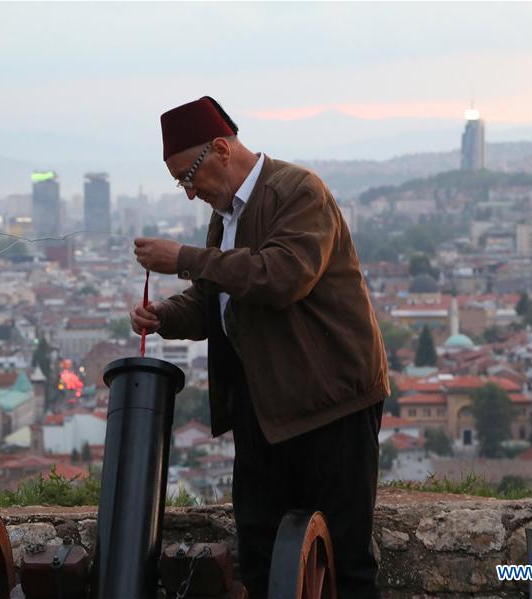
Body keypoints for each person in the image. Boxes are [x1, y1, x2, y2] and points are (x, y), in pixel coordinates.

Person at [131, 96, 389, 598]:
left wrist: (185, 257)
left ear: (222, 150)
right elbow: (217, 302)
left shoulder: (298, 191)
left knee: (346, 558)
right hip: (263, 407)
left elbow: (282, 276)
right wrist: (163, 316)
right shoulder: (224, 216)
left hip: (329, 404)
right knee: (261, 557)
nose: (188, 193)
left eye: (188, 177)